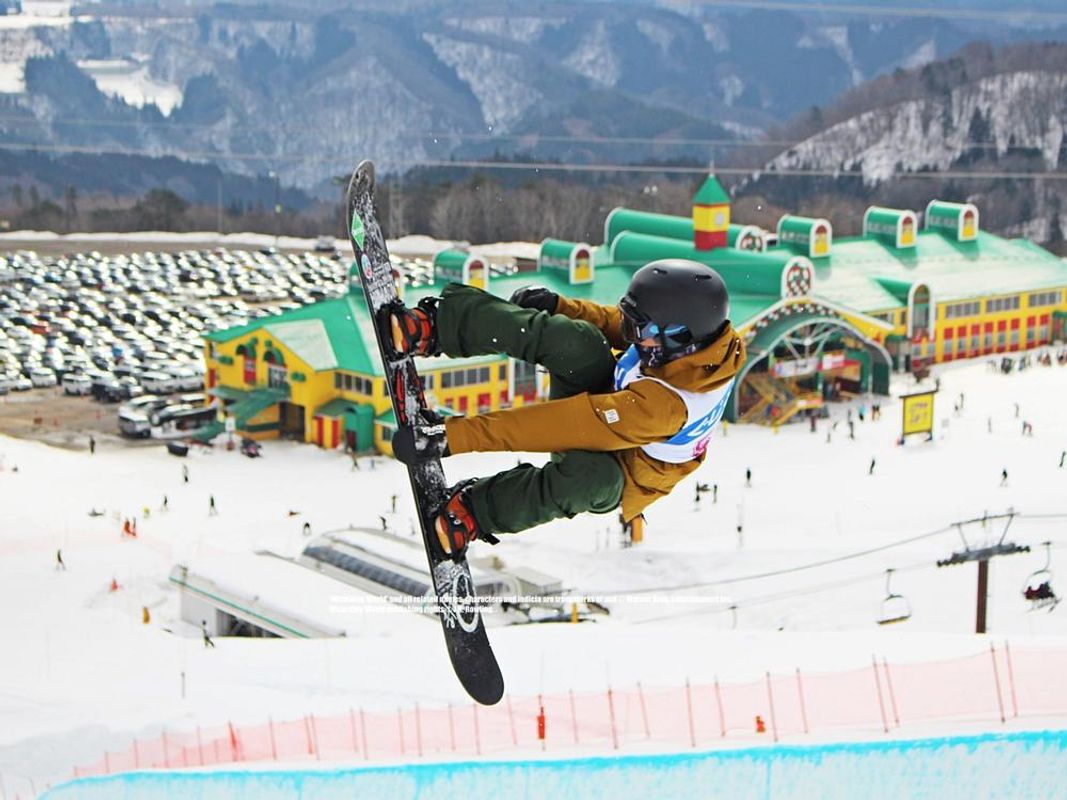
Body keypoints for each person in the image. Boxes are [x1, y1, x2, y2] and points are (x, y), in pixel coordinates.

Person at [387, 259, 744, 560]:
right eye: (632, 320)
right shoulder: (697, 340)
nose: (632, 333)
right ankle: (436, 328)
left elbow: (562, 425)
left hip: (622, 467)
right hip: (614, 400)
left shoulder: (664, 408)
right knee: (577, 341)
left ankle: (476, 511)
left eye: (641, 327)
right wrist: (559, 307)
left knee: (589, 479)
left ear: (680, 336)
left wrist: (454, 437)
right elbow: (612, 324)